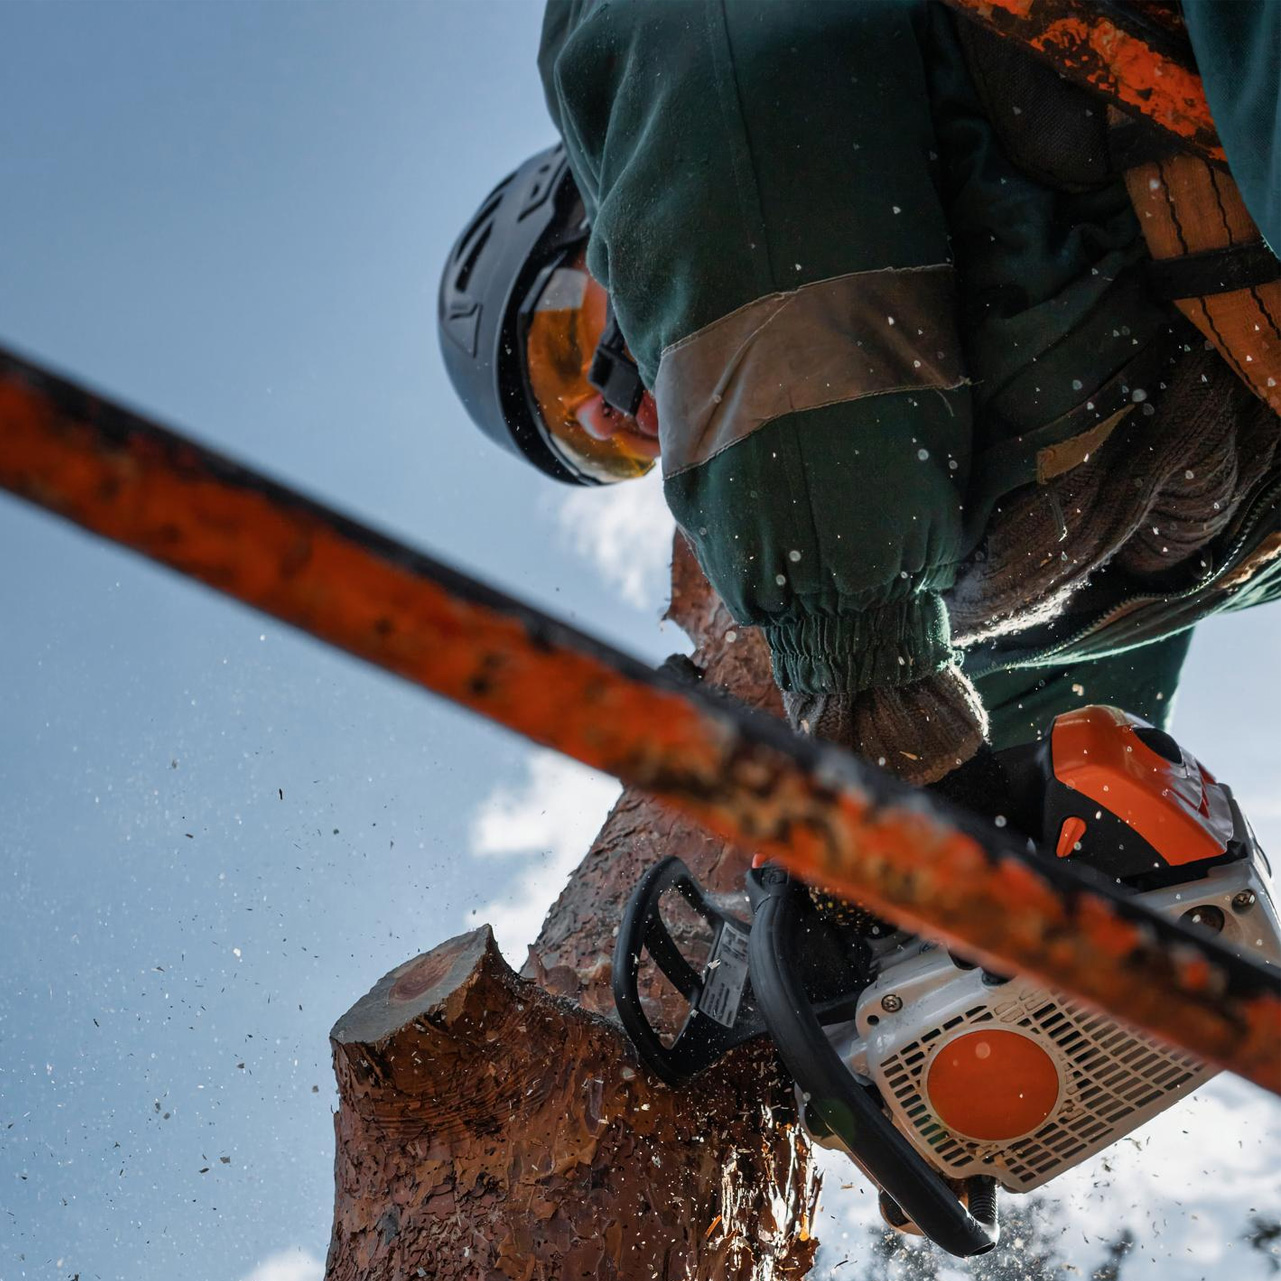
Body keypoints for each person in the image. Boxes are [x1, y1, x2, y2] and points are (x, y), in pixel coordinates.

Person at [439, 0, 1281, 790]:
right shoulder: (969, 576)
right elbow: (1051, 736)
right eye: (597, 448)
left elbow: (740, 122)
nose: (609, 411)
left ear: (599, 212)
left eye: (561, 349)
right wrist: (958, 855)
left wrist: (857, 689)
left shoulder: (655, 48)